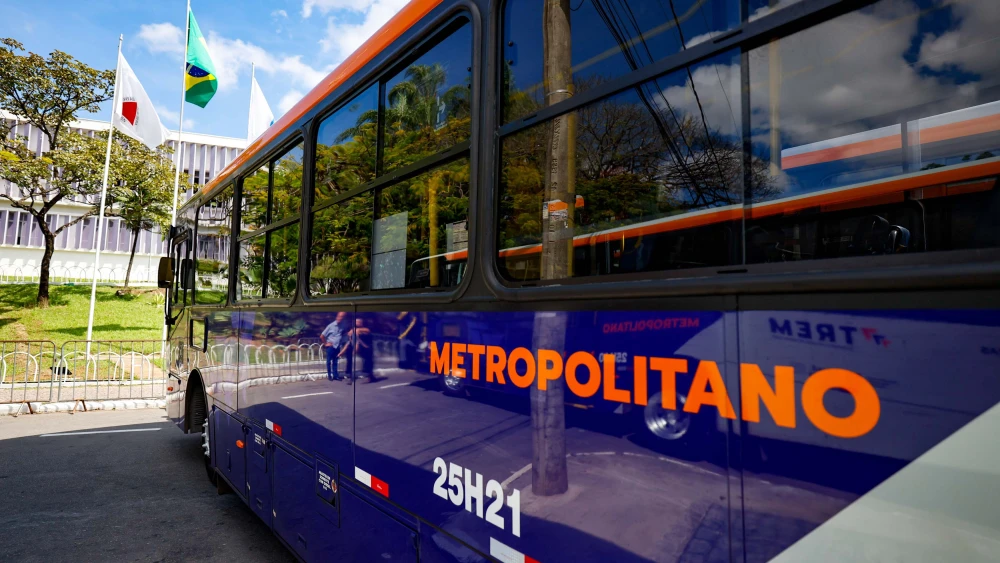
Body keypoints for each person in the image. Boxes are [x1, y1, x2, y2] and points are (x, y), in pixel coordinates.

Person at [321, 312, 346, 381]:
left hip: (337, 346)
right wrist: (325, 343)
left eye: (342, 317)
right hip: (330, 347)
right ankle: (329, 375)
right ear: (337, 317)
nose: (341, 318)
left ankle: (335, 376)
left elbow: (342, 334)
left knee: (335, 362)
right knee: (329, 362)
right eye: (340, 316)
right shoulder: (330, 326)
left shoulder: (342, 325)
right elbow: (322, 336)